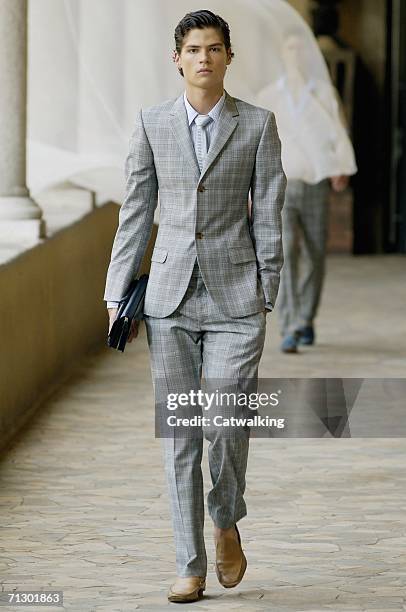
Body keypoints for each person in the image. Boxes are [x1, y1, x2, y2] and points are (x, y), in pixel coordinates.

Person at [103, 9, 286, 603]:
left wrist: (268, 287)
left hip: (236, 298)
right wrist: (116, 294)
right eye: (193, 49)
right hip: (170, 298)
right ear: (176, 59)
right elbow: (135, 210)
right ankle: (189, 561)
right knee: (181, 431)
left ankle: (225, 516)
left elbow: (270, 212)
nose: (204, 58)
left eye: (214, 48)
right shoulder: (152, 124)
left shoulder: (257, 125)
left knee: (226, 424)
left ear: (229, 57)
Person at [256, 33, 357, 353]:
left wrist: (341, 165)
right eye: (290, 48)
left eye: (301, 48)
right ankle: (289, 325)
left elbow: (339, 131)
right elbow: (257, 142)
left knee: (315, 252)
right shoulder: (269, 95)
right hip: (281, 183)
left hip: (314, 183)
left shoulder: (324, 93)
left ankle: (306, 318)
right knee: (284, 253)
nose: (296, 53)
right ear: (281, 54)